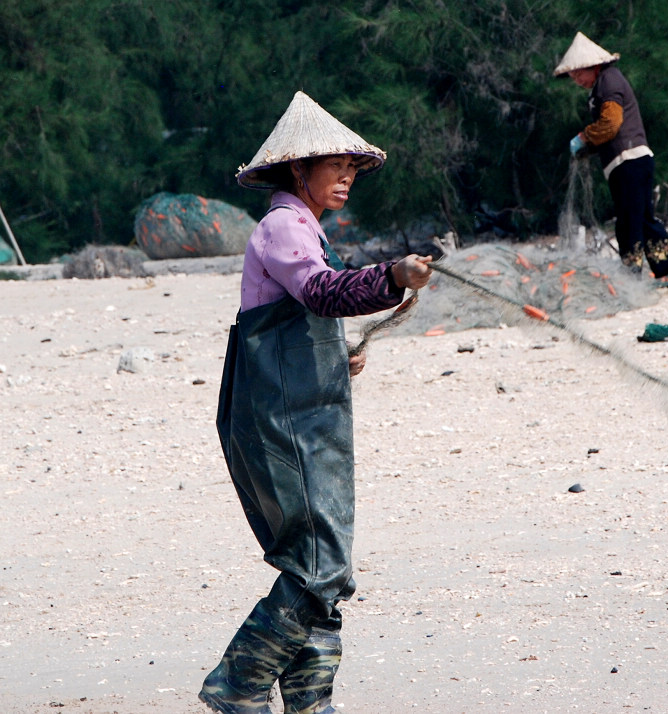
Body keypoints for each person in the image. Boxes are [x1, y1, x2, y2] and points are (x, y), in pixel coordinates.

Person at [200, 91, 432, 714]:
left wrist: (341, 355)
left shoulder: (305, 229)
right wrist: (392, 277)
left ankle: (310, 702)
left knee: (324, 558)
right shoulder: (282, 226)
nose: (348, 177)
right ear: (298, 170)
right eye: (336, 167)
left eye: (352, 168)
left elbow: (305, 313)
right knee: (320, 563)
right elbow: (323, 292)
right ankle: (238, 683)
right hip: (284, 422)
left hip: (310, 414)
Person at [554, 32, 668, 290]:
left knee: (629, 223)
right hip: (632, 161)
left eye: (578, 74)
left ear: (592, 66)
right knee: (644, 220)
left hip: (629, 161)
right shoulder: (603, 84)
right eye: (572, 77)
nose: (576, 80)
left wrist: (584, 137)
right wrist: (589, 146)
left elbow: (611, 124)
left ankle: (630, 280)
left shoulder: (608, 81)